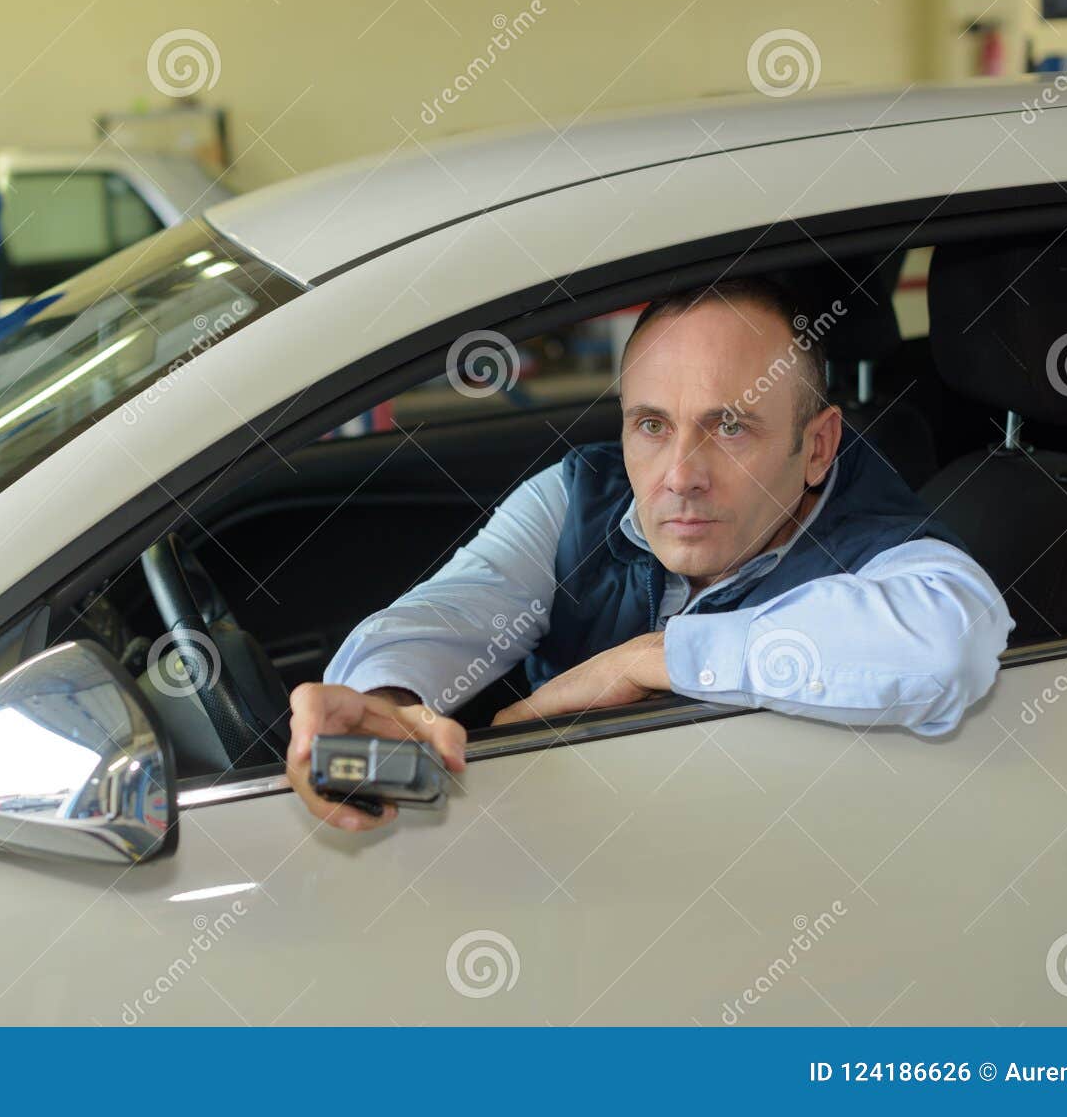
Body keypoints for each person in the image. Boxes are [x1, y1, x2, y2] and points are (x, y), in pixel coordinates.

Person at [286, 277, 1014, 831]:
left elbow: (949, 642)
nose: (679, 474)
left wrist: (645, 659)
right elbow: (453, 608)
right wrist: (381, 705)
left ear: (817, 446)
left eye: (729, 427)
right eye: (652, 425)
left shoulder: (880, 541)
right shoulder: (580, 495)